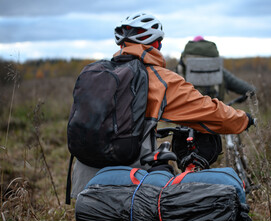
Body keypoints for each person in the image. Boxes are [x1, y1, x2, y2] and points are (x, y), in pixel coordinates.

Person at [70, 13, 255, 199]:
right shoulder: (160, 79)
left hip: (84, 184)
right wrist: (244, 119)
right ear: (157, 44)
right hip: (131, 184)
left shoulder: (96, 72)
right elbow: (210, 113)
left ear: (122, 45)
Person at [177, 36, 255, 101]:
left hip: (186, 117)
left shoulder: (178, 71)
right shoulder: (219, 72)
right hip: (215, 116)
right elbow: (247, 89)